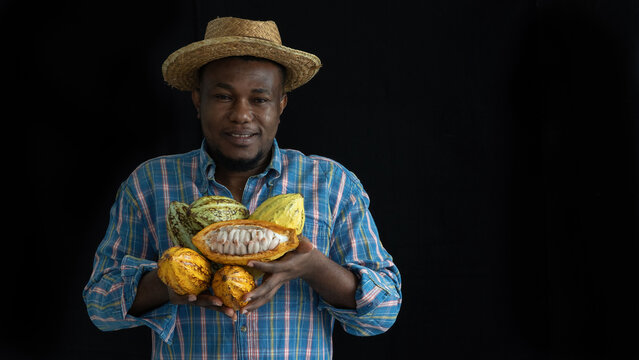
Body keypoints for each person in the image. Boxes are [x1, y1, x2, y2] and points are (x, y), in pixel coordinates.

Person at [83, 16, 402, 359]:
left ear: (281, 105)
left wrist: (313, 267)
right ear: (197, 100)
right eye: (223, 96)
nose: (241, 115)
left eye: (260, 99)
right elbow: (100, 307)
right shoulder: (151, 184)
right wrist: (171, 282)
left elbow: (382, 312)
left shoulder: (331, 185)